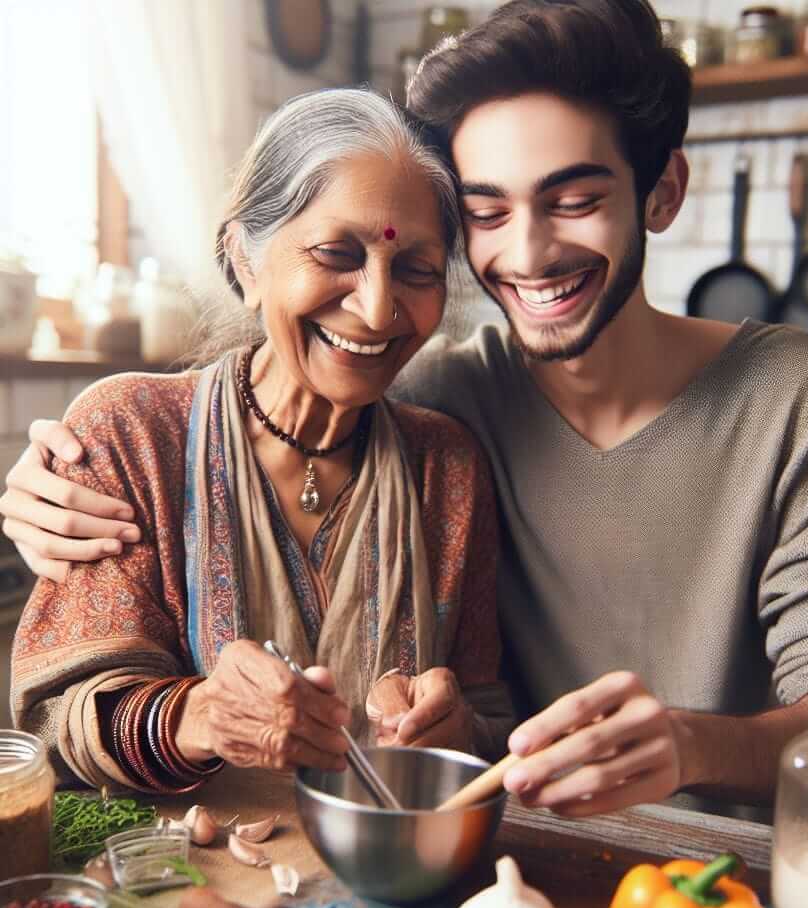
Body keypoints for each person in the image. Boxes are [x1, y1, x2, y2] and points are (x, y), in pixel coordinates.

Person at [2, 0, 808, 814]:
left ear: (662, 193)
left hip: (724, 864)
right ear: (243, 254)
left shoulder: (789, 396)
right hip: (493, 857)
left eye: (577, 201)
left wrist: (692, 739)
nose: (532, 251)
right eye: (488, 213)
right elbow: (62, 720)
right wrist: (40, 479)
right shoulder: (429, 401)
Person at [7, 88, 512, 793]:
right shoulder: (133, 435)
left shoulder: (445, 467)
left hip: (392, 876)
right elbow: (55, 730)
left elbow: (491, 719)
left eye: (416, 269)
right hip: (181, 884)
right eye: (336, 252)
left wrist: (456, 729)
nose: (375, 308)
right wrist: (200, 716)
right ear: (245, 260)